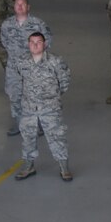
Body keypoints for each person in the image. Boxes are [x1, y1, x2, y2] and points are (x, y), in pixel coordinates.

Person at [14, 31, 72, 182]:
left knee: (57, 137)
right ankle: (28, 166)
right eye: (32, 42)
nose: (35, 45)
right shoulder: (21, 62)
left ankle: (64, 167)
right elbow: (17, 82)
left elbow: (64, 82)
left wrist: (52, 98)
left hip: (50, 108)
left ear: (44, 44)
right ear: (28, 44)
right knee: (27, 138)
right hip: (28, 108)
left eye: (38, 42)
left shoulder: (55, 62)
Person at [0, 0, 52, 137]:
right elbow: (3, 41)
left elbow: (47, 42)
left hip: (33, 68)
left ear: (28, 7)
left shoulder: (38, 24)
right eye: (17, 4)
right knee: (15, 96)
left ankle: (38, 125)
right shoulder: (6, 25)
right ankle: (19, 124)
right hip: (14, 69)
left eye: (23, 4)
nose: (20, 6)